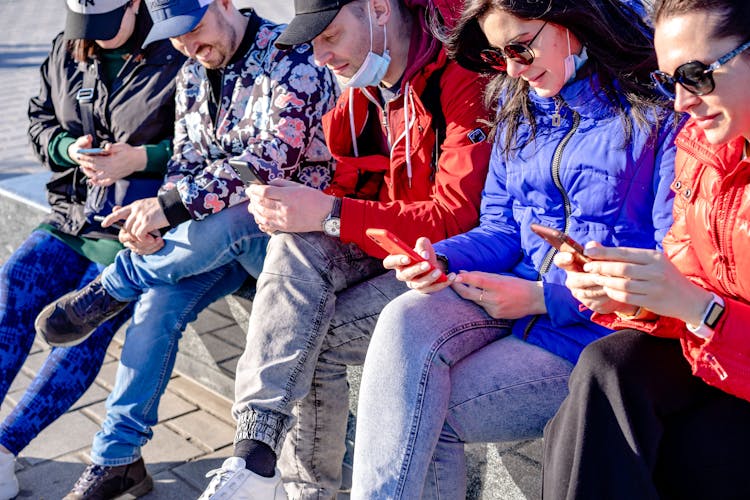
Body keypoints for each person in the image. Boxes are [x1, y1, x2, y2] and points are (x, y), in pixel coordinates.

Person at [346, 0, 683, 497]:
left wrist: (545, 299)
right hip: (516, 303)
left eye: (521, 48)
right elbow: (502, 229)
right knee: (405, 315)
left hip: (597, 333)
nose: (511, 69)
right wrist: (440, 257)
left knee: (419, 416)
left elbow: (669, 262)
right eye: (497, 56)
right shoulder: (517, 108)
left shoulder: (658, 110)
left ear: (574, 19)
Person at [33, 0, 337, 498]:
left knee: (244, 210)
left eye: (194, 29)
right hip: (211, 244)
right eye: (174, 37)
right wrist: (152, 216)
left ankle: (115, 284)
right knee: (156, 303)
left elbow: (267, 162)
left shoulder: (291, 53)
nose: (188, 46)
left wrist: (170, 208)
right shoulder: (193, 74)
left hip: (295, 244)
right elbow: (184, 162)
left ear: (222, 2)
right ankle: (116, 458)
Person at [195, 0, 493, 497]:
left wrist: (330, 212)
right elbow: (351, 189)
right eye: (313, 40)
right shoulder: (361, 92)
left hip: (457, 269)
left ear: (378, 9)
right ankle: (255, 454)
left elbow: (458, 218)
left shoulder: (460, 75)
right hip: (392, 253)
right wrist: (298, 199)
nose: (320, 55)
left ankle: (300, 490)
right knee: (294, 246)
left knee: (306, 333)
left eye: (330, 35)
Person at [542, 1, 750, 498]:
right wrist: (631, 295)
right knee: (607, 370)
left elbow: (701, 303)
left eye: (696, 75)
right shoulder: (704, 150)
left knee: (659, 450)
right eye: (667, 81)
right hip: (727, 362)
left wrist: (704, 311)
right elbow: (689, 280)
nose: (680, 101)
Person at [0, 1, 185, 499]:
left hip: (136, 224)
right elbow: (39, 123)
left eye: (107, 25)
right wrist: (68, 149)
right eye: (86, 27)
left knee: (83, 320)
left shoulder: (175, 47)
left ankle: (5, 449)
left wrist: (141, 158)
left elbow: (202, 142)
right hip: (72, 214)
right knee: (14, 284)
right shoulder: (68, 45)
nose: (96, 37)